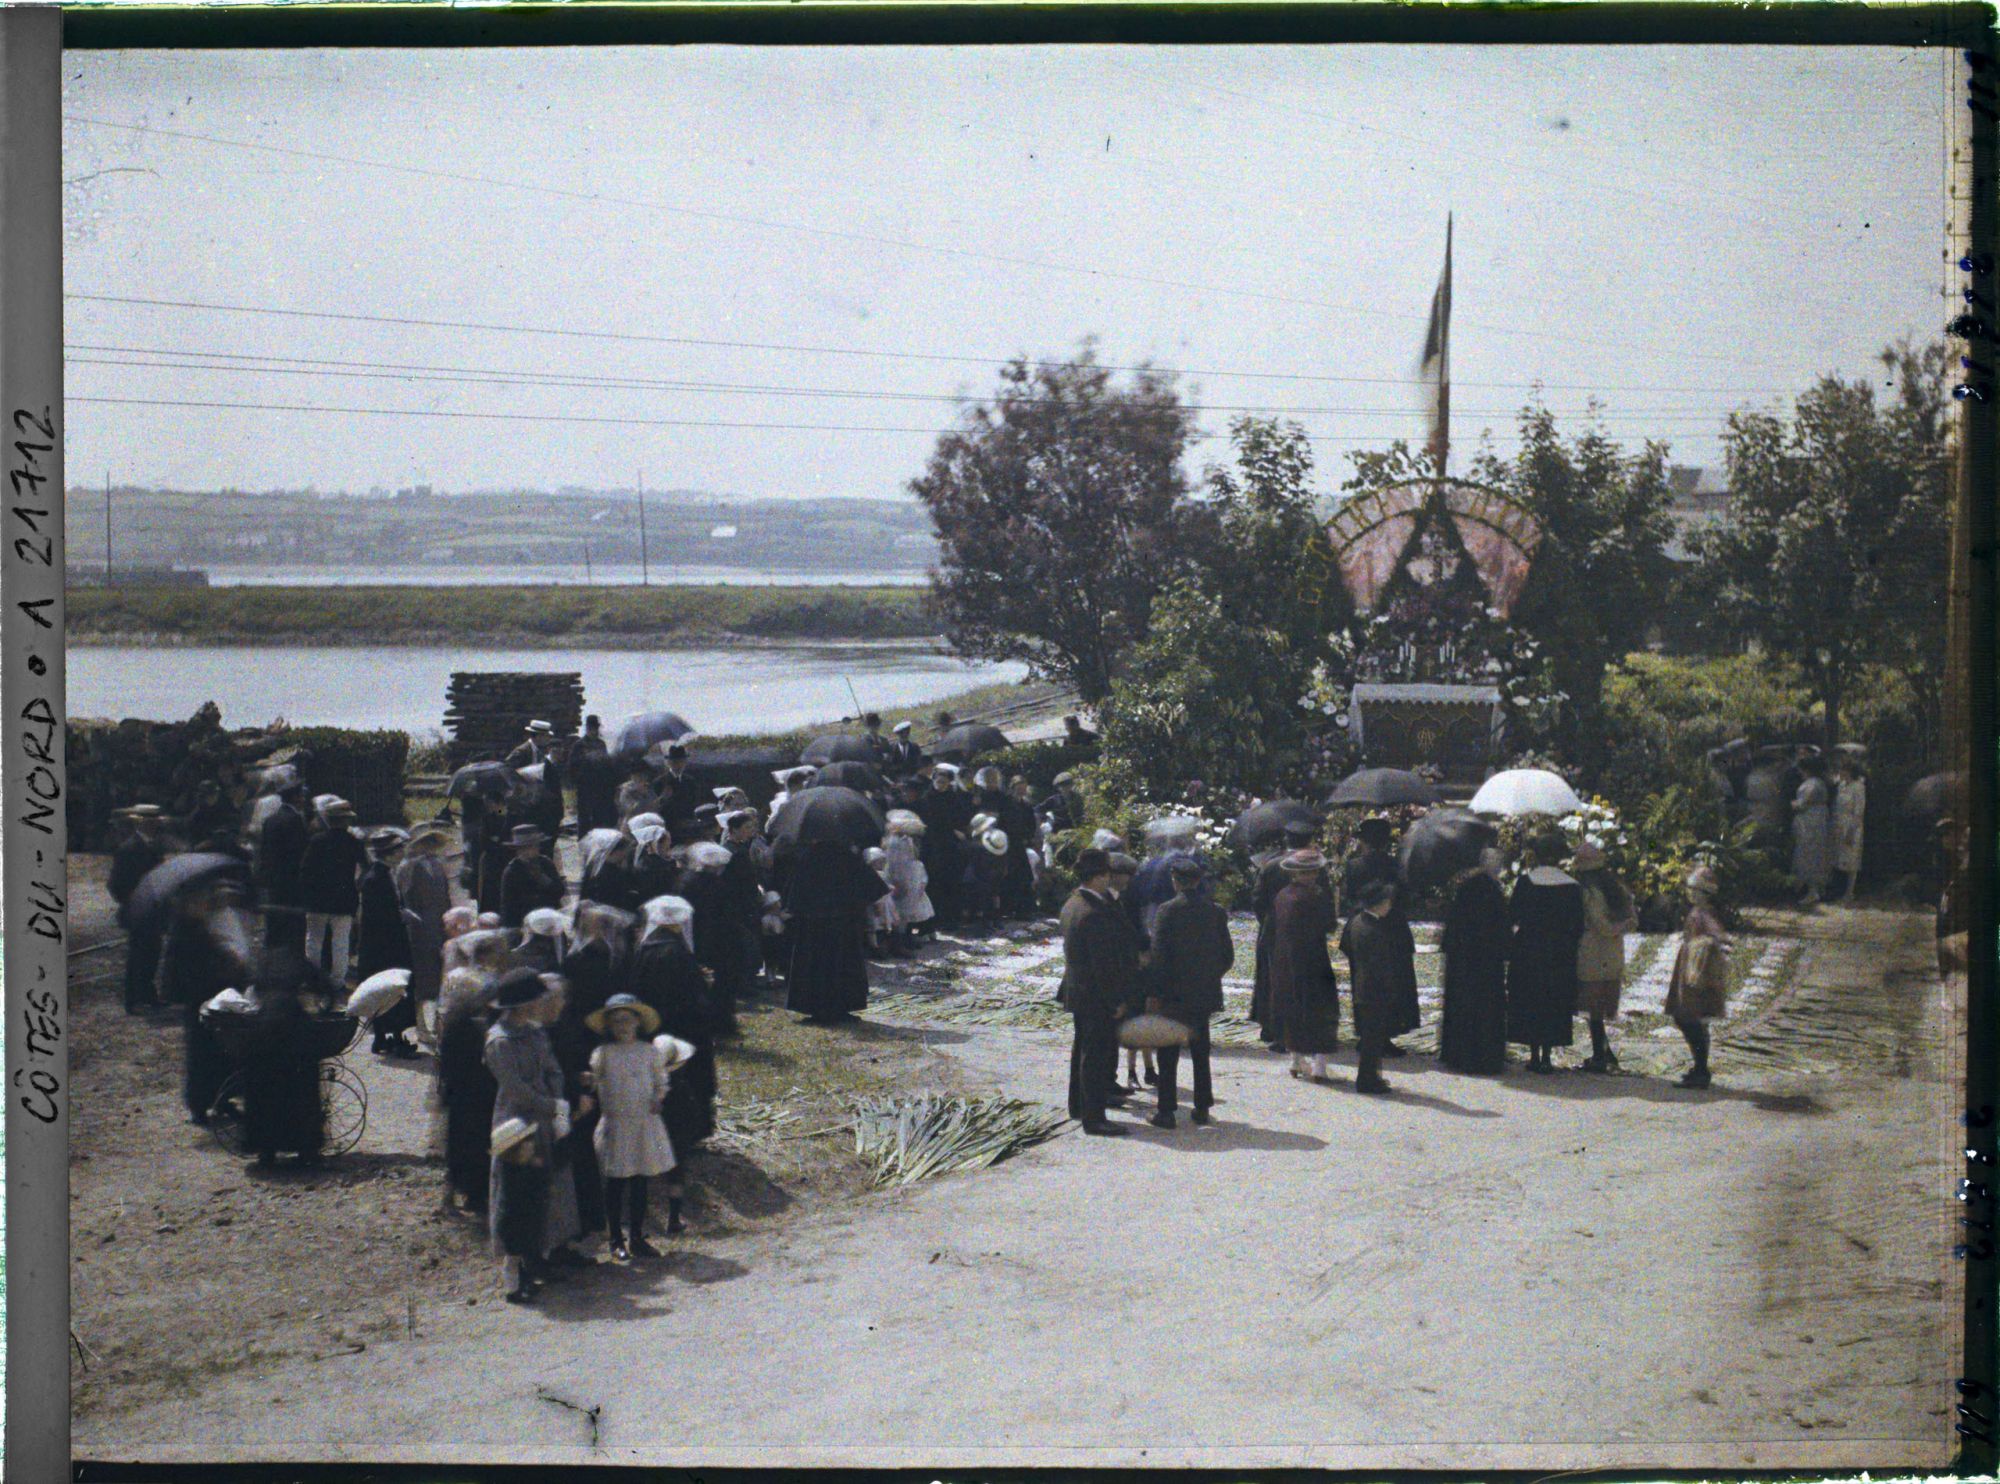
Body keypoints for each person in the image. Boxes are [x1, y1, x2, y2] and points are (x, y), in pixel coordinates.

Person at [632, 895, 718, 1228]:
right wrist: (704, 987)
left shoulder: (646, 948)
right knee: (688, 1084)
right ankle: (687, 1136)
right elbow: (691, 997)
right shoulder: (676, 951)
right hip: (684, 1030)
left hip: (657, 1028)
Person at [484, 968, 569, 1304]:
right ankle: (511, 1271)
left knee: (537, 1193)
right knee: (513, 1197)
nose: (542, 1003)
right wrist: (552, 1105)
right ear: (521, 1004)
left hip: (543, 1121)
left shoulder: (535, 1034)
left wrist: (556, 1099)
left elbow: (552, 1069)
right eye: (536, 998)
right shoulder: (499, 1041)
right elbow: (516, 1089)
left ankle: (532, 1264)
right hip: (515, 1128)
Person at [583, 994, 677, 1260]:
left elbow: (661, 1081)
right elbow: (595, 1080)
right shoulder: (603, 1054)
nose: (623, 1026)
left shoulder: (648, 1052)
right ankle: (616, 1238)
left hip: (643, 1123)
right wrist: (590, 1082)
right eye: (616, 1022)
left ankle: (637, 1236)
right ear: (609, 1027)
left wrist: (659, 1098)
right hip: (617, 1122)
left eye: (627, 1020)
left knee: (639, 1181)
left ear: (638, 1022)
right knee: (616, 1182)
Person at [1144, 856, 1233, 1129]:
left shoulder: (1167, 911)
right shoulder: (1215, 911)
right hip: (1203, 993)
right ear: (1198, 881)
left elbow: (1159, 958)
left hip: (1173, 994)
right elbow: (1227, 956)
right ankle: (1203, 1105)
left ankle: (1166, 1110)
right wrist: (1208, 977)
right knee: (1200, 1050)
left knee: (1168, 1054)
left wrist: (1155, 992)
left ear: (1175, 881)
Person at [1058, 849, 1141, 1136]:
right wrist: (1116, 1000)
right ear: (1099, 876)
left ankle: (1080, 1106)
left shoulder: (1074, 903)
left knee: (1083, 1049)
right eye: (1107, 875)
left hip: (1079, 990)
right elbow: (1103, 966)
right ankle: (1094, 1117)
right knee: (1094, 1054)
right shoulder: (1092, 912)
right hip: (1095, 994)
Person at [163, 879, 255, 1124]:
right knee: (203, 1055)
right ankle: (201, 1107)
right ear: (190, 903)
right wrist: (228, 963)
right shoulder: (189, 929)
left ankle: (219, 1100)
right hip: (201, 998)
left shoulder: (197, 925)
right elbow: (197, 966)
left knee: (218, 1052)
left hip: (210, 995)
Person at [240, 939, 334, 1167]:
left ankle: (266, 1150)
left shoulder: (260, 961)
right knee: (301, 1088)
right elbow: (325, 987)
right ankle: (305, 1148)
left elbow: (247, 991)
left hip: (264, 1028)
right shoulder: (298, 960)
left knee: (264, 1088)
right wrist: (324, 1009)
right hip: (293, 1026)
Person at [783, 838, 891, 1023]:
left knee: (816, 966)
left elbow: (795, 893)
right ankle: (841, 1007)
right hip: (843, 923)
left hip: (814, 924)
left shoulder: (809, 857)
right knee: (842, 965)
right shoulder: (847, 857)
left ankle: (817, 1008)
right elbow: (873, 887)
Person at [1507, 831, 1585, 1074]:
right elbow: (1578, 925)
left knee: (1531, 999)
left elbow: (1513, 916)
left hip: (1529, 949)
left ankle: (1533, 1053)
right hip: (1560, 953)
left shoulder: (1525, 882)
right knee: (1554, 1001)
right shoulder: (1572, 886)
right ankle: (1547, 1056)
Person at [436, 953, 503, 1215]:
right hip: (475, 1095)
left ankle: (457, 1194)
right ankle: (471, 1195)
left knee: (458, 1148)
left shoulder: (455, 1023)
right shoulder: (473, 1024)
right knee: (472, 1147)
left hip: (461, 1096)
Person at [1270, 849, 1342, 1082]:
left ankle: (1296, 1059)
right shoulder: (1318, 895)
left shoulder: (1282, 895)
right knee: (1320, 1007)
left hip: (1286, 959)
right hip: (1314, 958)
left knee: (1293, 1005)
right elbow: (1329, 925)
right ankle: (1319, 1064)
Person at [1438, 847, 1509, 1075]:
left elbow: (1454, 923)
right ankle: (1484, 1057)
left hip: (1462, 959)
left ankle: (1458, 1054)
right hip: (1486, 961)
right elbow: (1501, 927)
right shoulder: (1492, 890)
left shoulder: (1466, 887)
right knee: (1486, 1008)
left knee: (1462, 1005)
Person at [1341, 880, 1412, 1096]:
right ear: (1378, 904)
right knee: (1373, 1039)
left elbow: (1346, 946)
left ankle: (1371, 1077)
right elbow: (1383, 962)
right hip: (1375, 989)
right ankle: (1368, 1079)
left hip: (1363, 985)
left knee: (1370, 1037)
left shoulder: (1356, 922)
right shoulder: (1375, 928)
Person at [1250, 822, 1318, 1048]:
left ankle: (1270, 1026)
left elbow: (1258, 899)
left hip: (1273, 930)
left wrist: (1268, 921)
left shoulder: (1270, 865)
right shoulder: (1313, 866)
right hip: (1303, 932)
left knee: (1270, 979)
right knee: (1300, 980)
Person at [1573, 841, 1637, 1073]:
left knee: (1593, 1009)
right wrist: (1621, 926)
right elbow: (1630, 919)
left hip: (1592, 952)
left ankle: (1601, 1056)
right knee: (1597, 1010)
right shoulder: (1616, 887)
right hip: (1613, 953)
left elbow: (1600, 923)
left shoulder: (1590, 892)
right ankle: (1604, 1053)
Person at [1664, 865, 1730, 1089]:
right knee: (1690, 1018)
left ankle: (1701, 1068)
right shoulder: (1700, 913)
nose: (1691, 893)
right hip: (1691, 965)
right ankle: (1700, 1066)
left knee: (1688, 1016)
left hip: (1697, 969)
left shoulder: (1704, 915)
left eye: (1696, 890)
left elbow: (1715, 936)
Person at [357, 828, 420, 1058]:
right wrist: (401, 915)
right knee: (394, 990)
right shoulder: (375, 879)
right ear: (389, 853)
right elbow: (379, 916)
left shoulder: (384, 874)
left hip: (386, 943)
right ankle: (394, 1038)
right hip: (385, 946)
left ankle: (385, 1036)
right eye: (398, 849)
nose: (402, 852)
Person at [299, 798, 366, 983]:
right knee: (341, 942)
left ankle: (313, 978)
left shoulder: (317, 841)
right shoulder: (354, 842)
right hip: (344, 898)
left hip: (317, 899)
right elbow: (365, 868)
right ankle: (337, 981)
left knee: (313, 940)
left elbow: (305, 870)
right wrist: (357, 885)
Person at [679, 840, 743, 1034]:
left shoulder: (686, 880)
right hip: (719, 940)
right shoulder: (718, 884)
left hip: (696, 936)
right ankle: (721, 1022)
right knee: (720, 984)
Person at [110, 804, 169, 1013]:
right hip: (138, 909)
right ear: (142, 823)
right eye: (151, 821)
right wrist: (133, 902)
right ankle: (132, 999)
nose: (155, 825)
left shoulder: (153, 846)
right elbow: (116, 885)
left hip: (153, 908)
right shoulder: (128, 849)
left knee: (152, 952)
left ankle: (147, 994)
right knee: (138, 955)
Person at [395, 825, 455, 1026]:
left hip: (438, 926)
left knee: (439, 976)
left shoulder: (437, 865)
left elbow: (446, 896)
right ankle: (420, 1024)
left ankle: (437, 1024)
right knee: (421, 977)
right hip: (419, 929)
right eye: (427, 843)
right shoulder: (408, 866)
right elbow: (404, 897)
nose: (432, 847)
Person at [915, 763, 972, 928]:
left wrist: (957, 829)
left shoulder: (953, 798)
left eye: (945, 783)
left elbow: (961, 818)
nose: (941, 785)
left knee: (952, 881)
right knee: (936, 882)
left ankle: (952, 918)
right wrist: (951, 829)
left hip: (950, 846)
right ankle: (936, 919)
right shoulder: (927, 799)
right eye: (939, 782)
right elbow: (930, 822)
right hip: (933, 845)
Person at [255, 781, 311, 941]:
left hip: (274, 878)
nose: (303, 799)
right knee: (293, 922)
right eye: (301, 796)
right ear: (295, 797)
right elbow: (299, 852)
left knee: (275, 918)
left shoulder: (270, 820)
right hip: (291, 879)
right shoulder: (294, 820)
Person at [882, 810, 934, 945]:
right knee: (904, 915)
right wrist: (899, 883)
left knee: (913, 917)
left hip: (911, 881)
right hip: (903, 880)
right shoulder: (897, 843)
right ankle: (902, 939)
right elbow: (896, 865)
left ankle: (912, 937)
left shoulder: (906, 841)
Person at [500, 824, 565, 928]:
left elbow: (559, 891)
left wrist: (542, 877)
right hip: (524, 923)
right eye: (524, 848)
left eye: (533, 846)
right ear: (518, 850)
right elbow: (508, 906)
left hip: (549, 919)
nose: (529, 851)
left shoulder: (546, 863)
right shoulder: (512, 871)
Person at [1790, 752, 1833, 905]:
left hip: (1811, 821)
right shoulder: (1818, 782)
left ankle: (1813, 890)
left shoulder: (1813, 784)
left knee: (1810, 852)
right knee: (1813, 852)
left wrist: (1793, 804)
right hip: (1814, 819)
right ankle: (1813, 888)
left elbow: (1803, 803)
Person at [570, 716, 620, 834]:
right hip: (586, 789)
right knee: (585, 820)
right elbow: (573, 768)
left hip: (602, 789)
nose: (595, 731)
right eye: (592, 728)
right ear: (587, 728)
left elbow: (607, 764)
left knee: (600, 819)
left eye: (596, 728)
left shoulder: (601, 744)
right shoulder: (579, 745)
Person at [1830, 747, 1868, 902]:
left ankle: (1850, 892)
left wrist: (1851, 831)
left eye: (1844, 771)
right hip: (1839, 823)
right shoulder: (1841, 786)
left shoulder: (1858, 787)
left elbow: (1858, 811)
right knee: (1839, 857)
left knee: (1851, 858)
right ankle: (1839, 890)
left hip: (1852, 824)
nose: (1841, 774)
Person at [615, 760, 659, 827]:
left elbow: (655, 807)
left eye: (644, 775)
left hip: (648, 824)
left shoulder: (649, 788)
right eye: (638, 775)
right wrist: (641, 795)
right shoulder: (626, 790)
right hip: (631, 825)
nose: (642, 777)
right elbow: (630, 810)